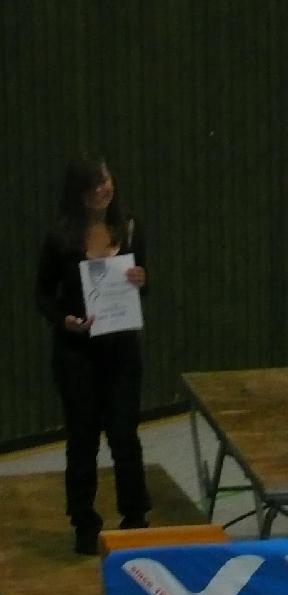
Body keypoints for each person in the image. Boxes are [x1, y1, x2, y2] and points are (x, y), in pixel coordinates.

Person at [35, 156, 151, 554]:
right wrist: (62, 320)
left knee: (124, 434)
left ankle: (135, 516)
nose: (105, 187)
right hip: (76, 354)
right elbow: (42, 293)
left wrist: (142, 279)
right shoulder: (61, 239)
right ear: (79, 192)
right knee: (82, 438)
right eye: (96, 183)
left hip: (122, 350)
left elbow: (143, 286)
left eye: (107, 179)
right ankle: (84, 522)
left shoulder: (129, 228)